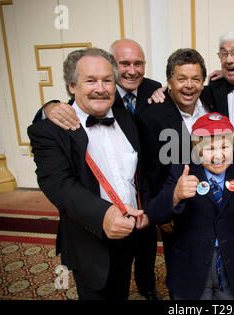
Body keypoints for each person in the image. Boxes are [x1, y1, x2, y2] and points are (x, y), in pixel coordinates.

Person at [150, 30, 234, 299]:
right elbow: (152, 178)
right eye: (224, 52)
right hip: (187, 206)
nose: (189, 85)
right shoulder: (202, 95)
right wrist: (172, 200)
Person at [32, 39, 162, 300]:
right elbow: (59, 185)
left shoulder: (125, 117)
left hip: (129, 234)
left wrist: (148, 209)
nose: (100, 89)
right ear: (71, 86)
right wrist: (103, 216)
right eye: (90, 81)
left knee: (120, 292)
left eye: (107, 81)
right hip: (89, 239)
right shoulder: (49, 130)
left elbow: (141, 172)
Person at [146, 112, 234, 299]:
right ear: (197, 150)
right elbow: (155, 214)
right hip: (191, 268)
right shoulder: (182, 171)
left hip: (231, 266)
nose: (218, 155)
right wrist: (175, 195)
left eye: (225, 147)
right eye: (209, 149)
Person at [137, 48, 210, 297]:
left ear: (203, 81)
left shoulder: (213, 105)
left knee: (213, 262)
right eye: (181, 79)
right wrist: (163, 212)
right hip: (177, 209)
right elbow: (149, 172)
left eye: (196, 79)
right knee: (181, 270)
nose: (189, 86)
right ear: (169, 82)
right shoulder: (152, 116)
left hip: (213, 204)